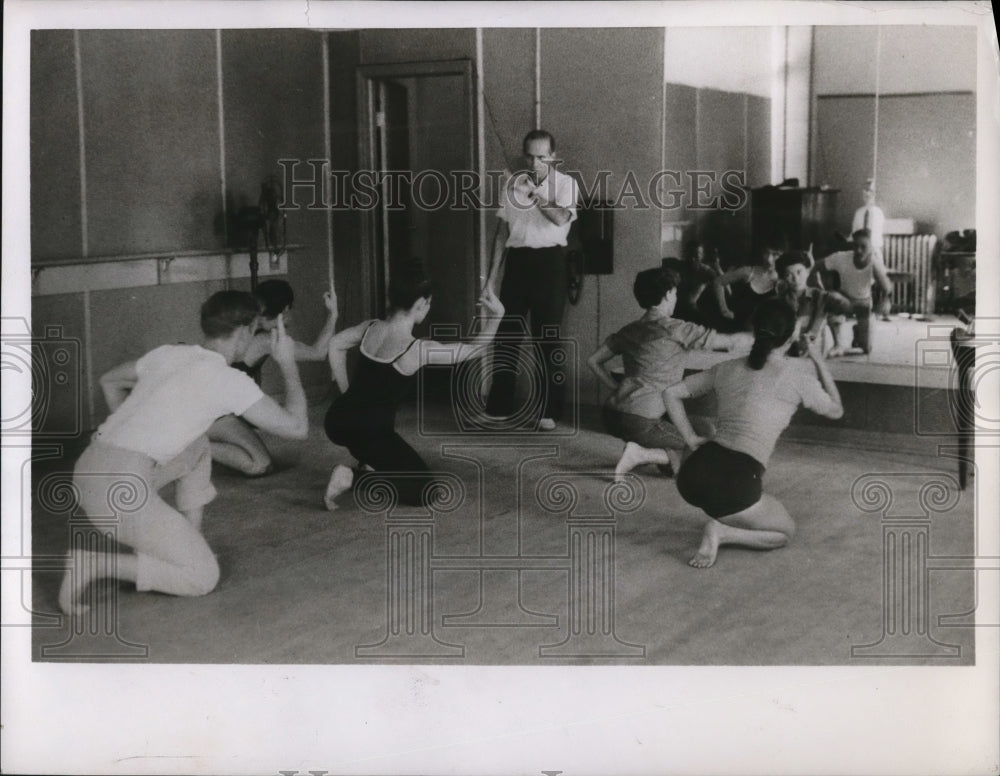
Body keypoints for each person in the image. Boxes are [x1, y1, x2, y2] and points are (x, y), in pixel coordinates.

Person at [58, 291, 309, 614]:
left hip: (90, 468)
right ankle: (92, 564)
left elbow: (109, 380)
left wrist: (137, 439)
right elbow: (298, 428)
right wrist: (287, 364)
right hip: (121, 492)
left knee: (198, 446)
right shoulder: (227, 379)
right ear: (246, 331)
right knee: (201, 577)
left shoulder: (168, 354)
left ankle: (187, 543)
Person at [663, 298, 844, 568]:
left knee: (743, 491)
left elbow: (670, 392)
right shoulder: (797, 377)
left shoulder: (726, 368)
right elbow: (836, 410)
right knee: (784, 532)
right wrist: (819, 360)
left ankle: (728, 514)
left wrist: (690, 438)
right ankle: (722, 532)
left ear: (755, 329)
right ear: (792, 335)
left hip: (692, 476)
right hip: (734, 484)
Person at [324, 260, 506, 509]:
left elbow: (335, 343)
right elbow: (473, 350)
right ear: (421, 304)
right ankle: (354, 477)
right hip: (370, 431)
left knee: (377, 430)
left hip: (337, 420)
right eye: (428, 304)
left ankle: (370, 463)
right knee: (425, 491)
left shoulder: (371, 327)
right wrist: (498, 316)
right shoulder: (416, 349)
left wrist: (347, 394)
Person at [588, 266, 752, 481]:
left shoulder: (629, 330)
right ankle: (641, 453)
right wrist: (766, 337)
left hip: (611, 415)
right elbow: (730, 342)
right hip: (642, 421)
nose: (675, 298)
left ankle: (651, 452)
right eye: (674, 293)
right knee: (705, 448)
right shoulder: (677, 329)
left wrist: (616, 387)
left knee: (703, 428)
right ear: (667, 295)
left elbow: (593, 361)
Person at [483, 129, 579, 431]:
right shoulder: (511, 187)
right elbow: (501, 235)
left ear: (553, 156)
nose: (536, 161)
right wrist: (491, 279)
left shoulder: (565, 184)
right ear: (524, 156)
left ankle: (548, 411)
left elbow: (561, 218)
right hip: (517, 264)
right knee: (506, 336)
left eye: (542, 156)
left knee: (547, 339)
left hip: (550, 264)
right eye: (531, 156)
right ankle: (499, 408)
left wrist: (535, 192)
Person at [208, 279, 338, 476]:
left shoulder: (240, 323)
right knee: (260, 464)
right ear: (285, 309)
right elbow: (318, 353)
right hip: (213, 414)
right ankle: (192, 446)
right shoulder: (265, 340)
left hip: (207, 404)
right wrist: (333, 314)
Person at [813, 228, 893, 356]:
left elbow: (887, 287)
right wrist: (817, 285)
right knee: (831, 297)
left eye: (863, 246)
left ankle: (859, 331)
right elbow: (814, 265)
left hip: (864, 303)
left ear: (871, 247)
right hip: (844, 299)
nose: (859, 250)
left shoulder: (874, 262)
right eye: (856, 246)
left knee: (866, 350)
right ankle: (838, 344)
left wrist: (884, 303)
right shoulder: (841, 257)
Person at [774, 249, 852, 357]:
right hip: (786, 355)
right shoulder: (780, 300)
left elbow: (847, 306)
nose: (795, 278)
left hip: (814, 354)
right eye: (789, 274)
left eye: (799, 272)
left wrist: (834, 295)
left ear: (807, 271)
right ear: (783, 278)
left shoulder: (820, 296)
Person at [712, 243, 781, 331]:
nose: (769, 259)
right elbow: (718, 282)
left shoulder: (783, 282)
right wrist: (724, 311)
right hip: (734, 328)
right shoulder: (748, 272)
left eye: (775, 254)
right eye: (766, 253)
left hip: (759, 334)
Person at [851, 179, 885, 254]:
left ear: (875, 194)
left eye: (871, 191)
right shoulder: (858, 213)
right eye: (865, 191)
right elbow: (854, 232)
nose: (867, 193)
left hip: (873, 249)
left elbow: (876, 237)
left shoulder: (878, 213)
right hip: (860, 250)